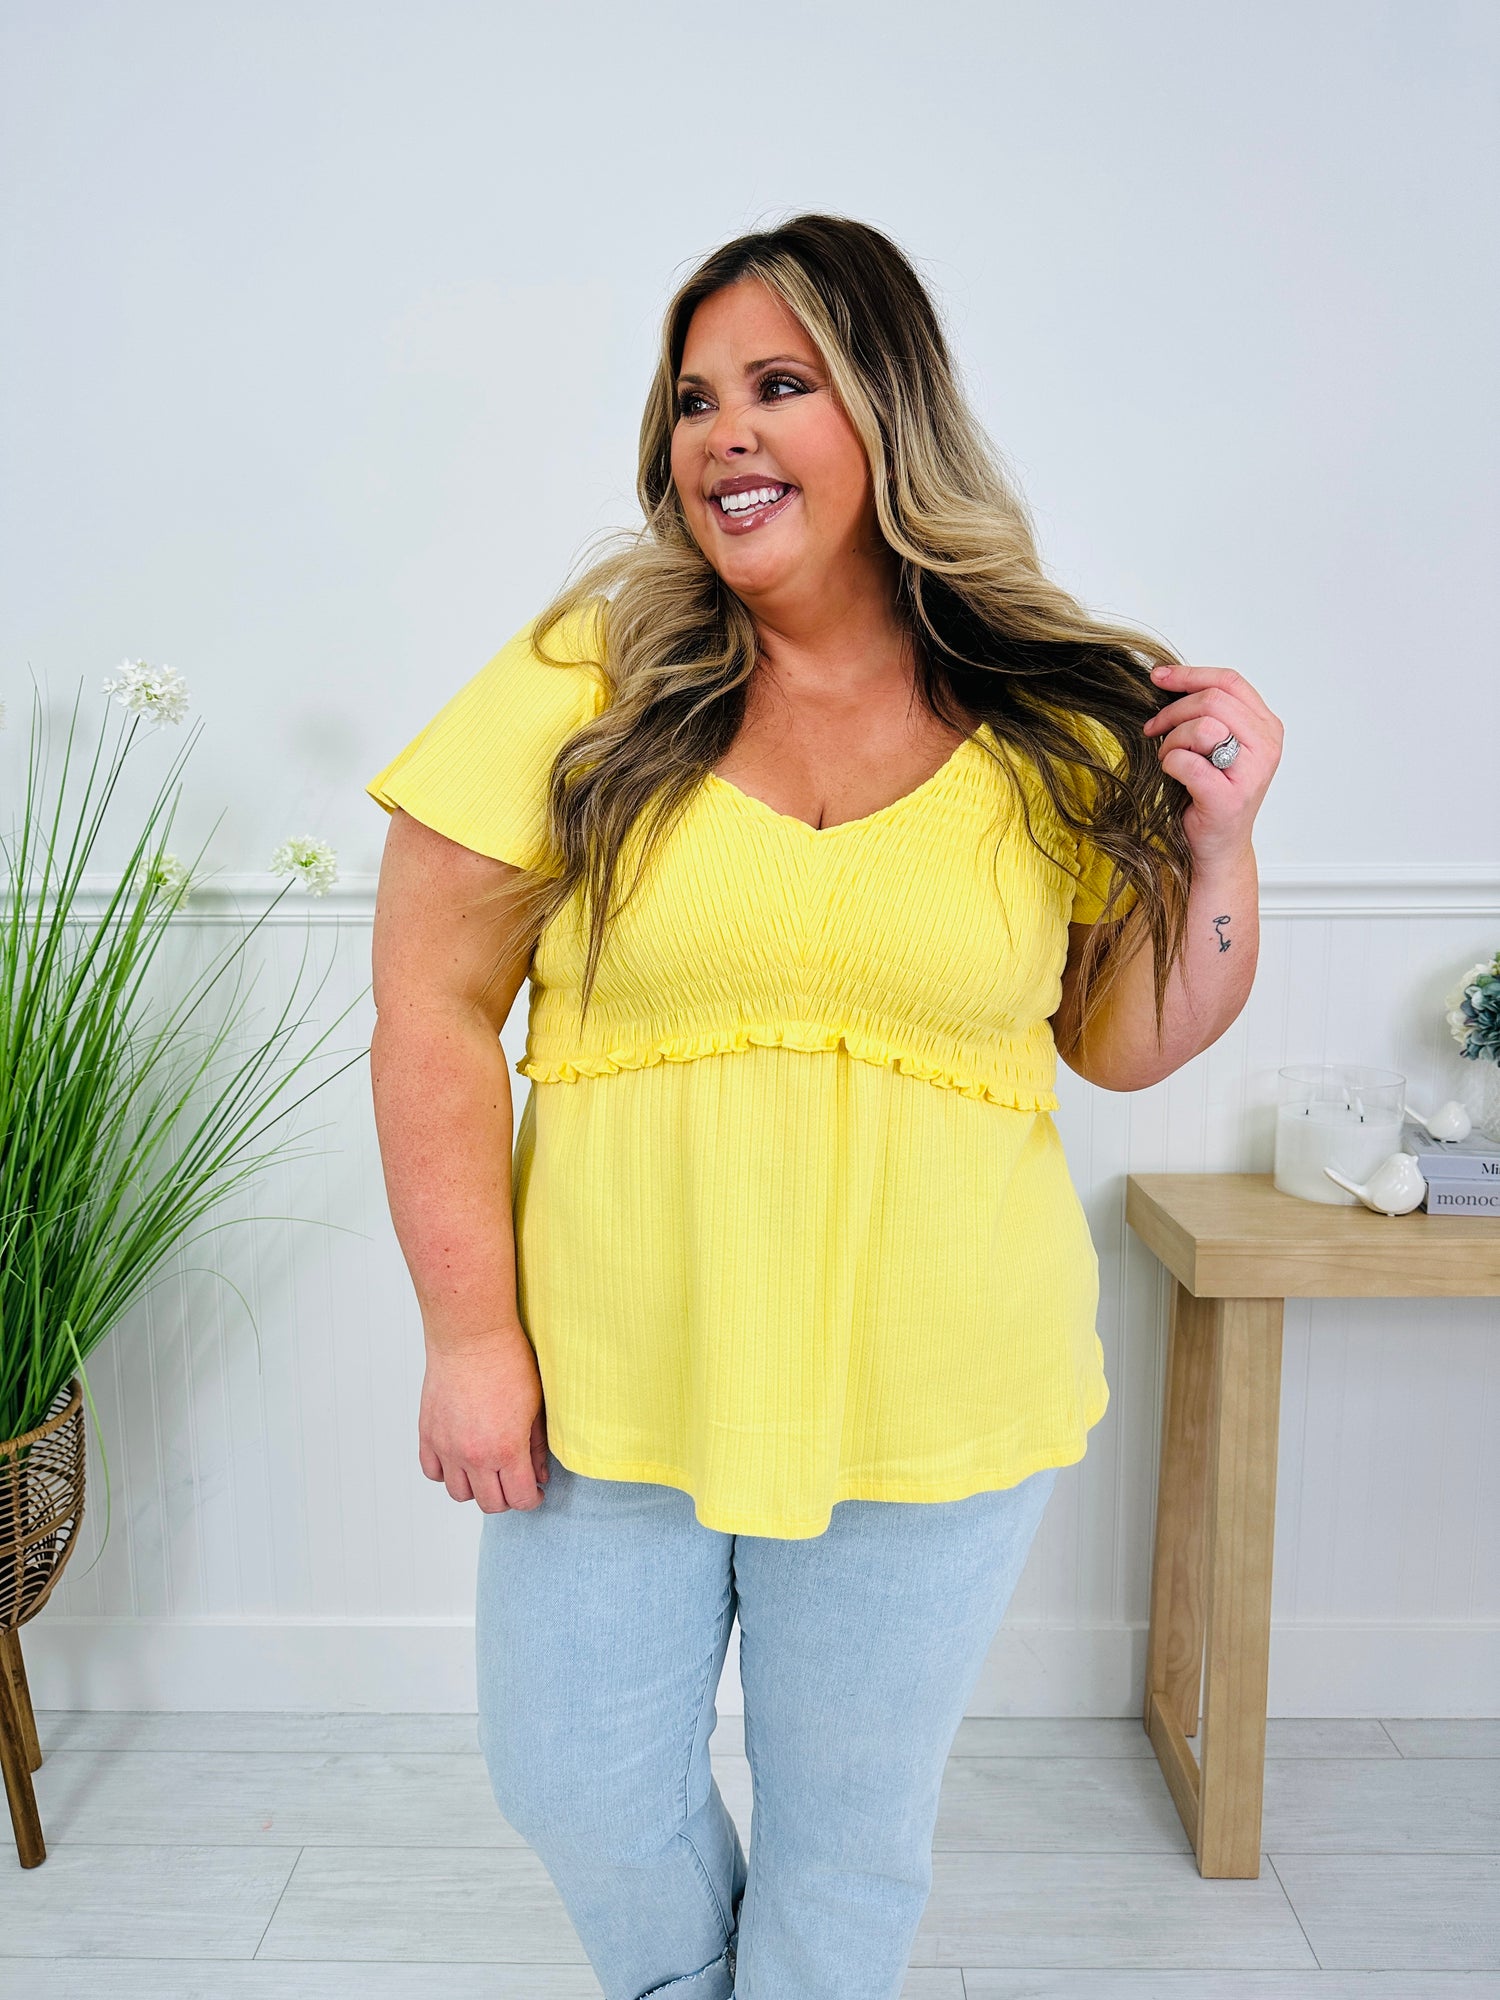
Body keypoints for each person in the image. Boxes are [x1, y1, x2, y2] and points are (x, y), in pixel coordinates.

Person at [365, 213, 1282, 2000]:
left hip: (937, 1378)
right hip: (609, 1372)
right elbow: (431, 1010)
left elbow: (1125, 1041)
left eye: (777, 385)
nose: (724, 433)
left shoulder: (1051, 715)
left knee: (849, 1842)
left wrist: (1223, 849)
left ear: (888, 412)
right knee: (574, 1783)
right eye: (695, 397)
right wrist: (469, 1337)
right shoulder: (588, 675)